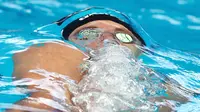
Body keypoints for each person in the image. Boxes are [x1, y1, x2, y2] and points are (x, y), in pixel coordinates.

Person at [9, 7, 185, 112]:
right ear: (65, 47)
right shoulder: (55, 70)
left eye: (124, 36)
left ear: (140, 51)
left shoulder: (173, 91)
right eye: (88, 33)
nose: (108, 39)